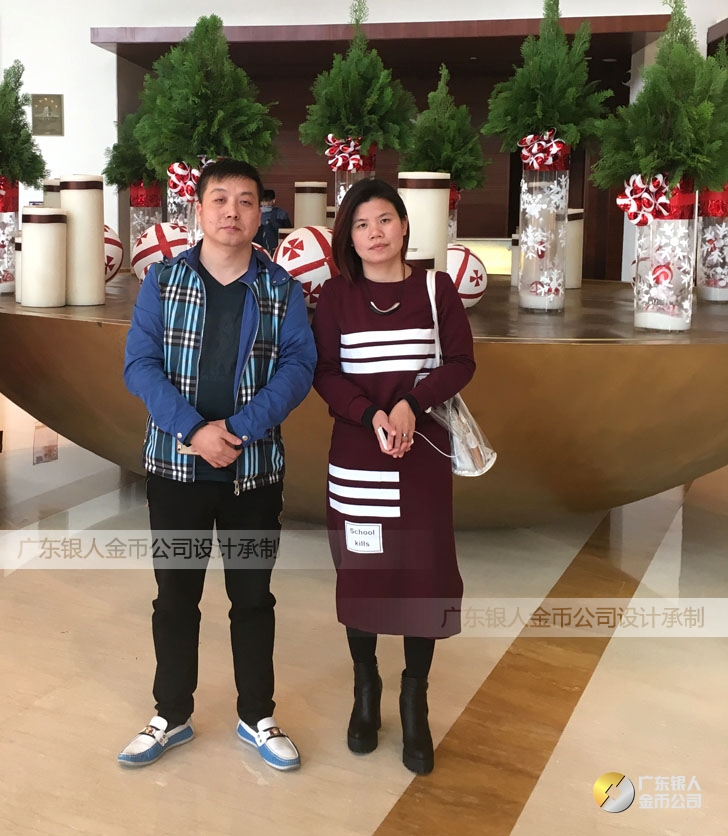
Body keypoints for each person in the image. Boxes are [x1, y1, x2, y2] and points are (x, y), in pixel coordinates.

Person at [120, 159, 316, 771]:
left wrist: (237, 429)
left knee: (252, 597)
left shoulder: (281, 289)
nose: (232, 211)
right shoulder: (163, 281)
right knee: (175, 598)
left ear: (261, 213)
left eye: (246, 201)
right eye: (220, 199)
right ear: (199, 209)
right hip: (176, 473)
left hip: (252, 476)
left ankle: (257, 716)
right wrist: (194, 431)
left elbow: (298, 368)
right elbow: (139, 365)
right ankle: (171, 714)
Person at [311, 179, 475, 775]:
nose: (374, 233)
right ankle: (366, 691)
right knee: (363, 575)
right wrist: (370, 414)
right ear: (348, 238)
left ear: (404, 225)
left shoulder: (436, 289)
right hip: (359, 459)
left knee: (421, 576)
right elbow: (326, 373)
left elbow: (461, 362)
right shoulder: (335, 296)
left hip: (421, 457)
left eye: (384, 220)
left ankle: (414, 702)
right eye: (360, 224)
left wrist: (410, 404)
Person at [253, 188, 292, 254]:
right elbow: (288, 232)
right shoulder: (281, 213)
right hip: (277, 251)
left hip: (257, 251)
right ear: (273, 201)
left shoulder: (253, 214)